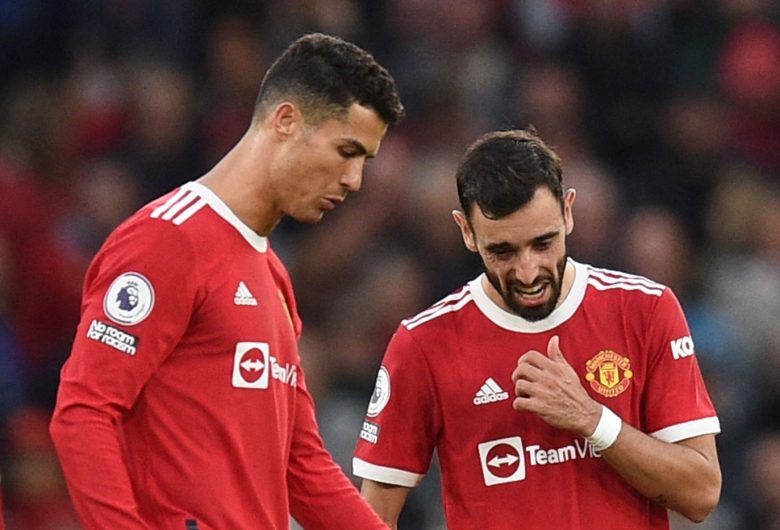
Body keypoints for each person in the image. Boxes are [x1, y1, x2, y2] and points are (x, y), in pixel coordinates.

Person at [49, 32, 404, 529]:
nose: (354, 180)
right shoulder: (168, 240)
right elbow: (84, 411)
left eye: (364, 161)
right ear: (286, 120)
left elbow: (301, 464)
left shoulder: (272, 274)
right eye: (347, 151)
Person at [353, 128, 722, 529]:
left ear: (568, 212)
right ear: (466, 231)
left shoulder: (645, 310)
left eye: (543, 243)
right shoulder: (424, 343)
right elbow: (374, 516)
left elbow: (701, 494)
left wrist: (592, 420)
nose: (528, 273)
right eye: (503, 251)